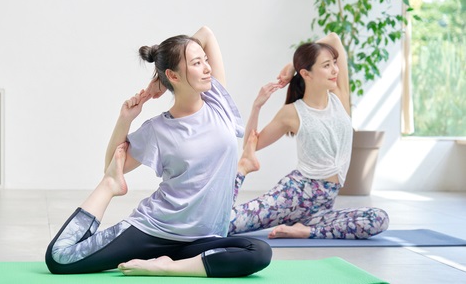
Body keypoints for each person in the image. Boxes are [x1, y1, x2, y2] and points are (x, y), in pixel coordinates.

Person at [45, 26, 272, 277]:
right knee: (59, 259)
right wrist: (125, 120)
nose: (207, 68)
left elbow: (206, 33)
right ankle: (113, 196)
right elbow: (113, 165)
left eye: (205, 60)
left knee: (259, 251)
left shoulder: (217, 102)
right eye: (197, 63)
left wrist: (161, 81)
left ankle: (166, 266)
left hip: (205, 239)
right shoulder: (158, 129)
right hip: (154, 231)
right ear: (174, 76)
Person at [229, 32, 389, 239]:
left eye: (334, 63)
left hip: (321, 208)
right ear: (307, 74)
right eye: (326, 65)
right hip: (291, 196)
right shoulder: (293, 112)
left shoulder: (339, 98)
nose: (334, 70)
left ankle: (306, 231)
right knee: (223, 225)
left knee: (379, 219)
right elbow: (252, 144)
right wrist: (257, 106)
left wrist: (292, 65)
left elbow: (333, 38)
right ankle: (240, 172)